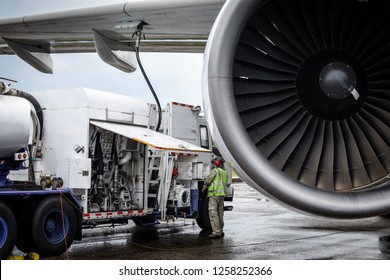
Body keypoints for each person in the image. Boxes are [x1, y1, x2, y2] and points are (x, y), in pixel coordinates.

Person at [202, 157, 229, 239]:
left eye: (214, 162)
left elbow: (208, 180)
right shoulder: (225, 172)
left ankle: (216, 232)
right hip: (221, 195)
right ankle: (220, 231)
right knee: (220, 213)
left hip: (214, 194)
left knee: (213, 213)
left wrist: (205, 186)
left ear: (217, 163)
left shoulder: (215, 171)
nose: (213, 164)